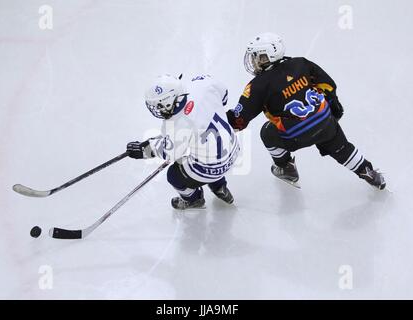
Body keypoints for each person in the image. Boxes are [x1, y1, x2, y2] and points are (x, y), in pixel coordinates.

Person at [227, 32, 385, 189]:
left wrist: (224, 119)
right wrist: (333, 109)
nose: (253, 61)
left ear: (267, 57)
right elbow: (328, 85)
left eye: (256, 56)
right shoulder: (300, 63)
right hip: (325, 123)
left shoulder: (257, 86)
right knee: (341, 147)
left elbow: (239, 120)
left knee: (266, 133)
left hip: (295, 136)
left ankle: (286, 168)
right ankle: (369, 173)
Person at [127, 74, 239, 209]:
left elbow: (169, 153)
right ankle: (220, 187)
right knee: (209, 152)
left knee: (173, 175)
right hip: (234, 151)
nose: (157, 110)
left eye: (158, 106)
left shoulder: (177, 123)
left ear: (168, 102)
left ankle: (194, 199)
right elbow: (224, 94)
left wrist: (144, 149)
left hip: (212, 168)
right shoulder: (202, 84)